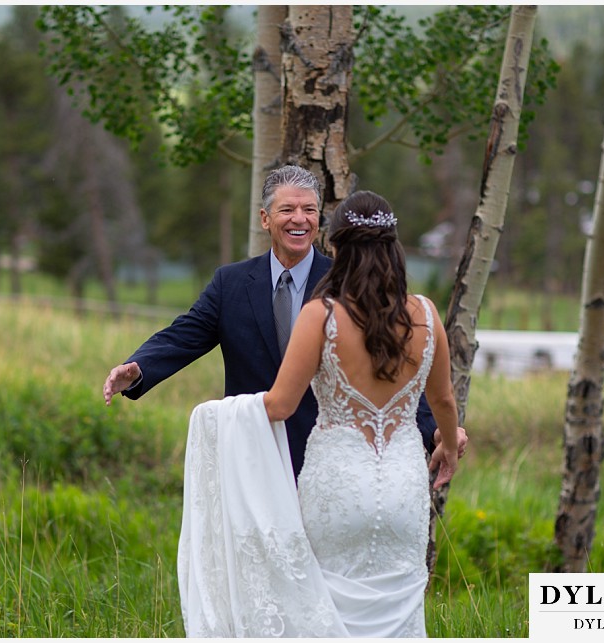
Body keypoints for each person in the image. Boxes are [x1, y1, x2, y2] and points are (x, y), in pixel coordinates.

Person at [177, 189, 462, 637]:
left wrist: (212, 415)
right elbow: (444, 401)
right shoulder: (425, 314)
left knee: (323, 608)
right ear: (395, 246)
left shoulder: (322, 315)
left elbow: (280, 404)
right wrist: (447, 443)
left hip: (337, 490)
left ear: (337, 247)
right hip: (404, 490)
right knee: (403, 610)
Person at [102, 165, 456, 480]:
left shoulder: (350, 283)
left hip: (330, 465)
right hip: (251, 457)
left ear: (320, 219)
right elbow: (184, 335)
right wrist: (139, 367)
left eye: (309, 210)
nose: (299, 219)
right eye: (287, 209)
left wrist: (435, 431)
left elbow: (392, 361)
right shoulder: (231, 283)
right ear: (265, 218)